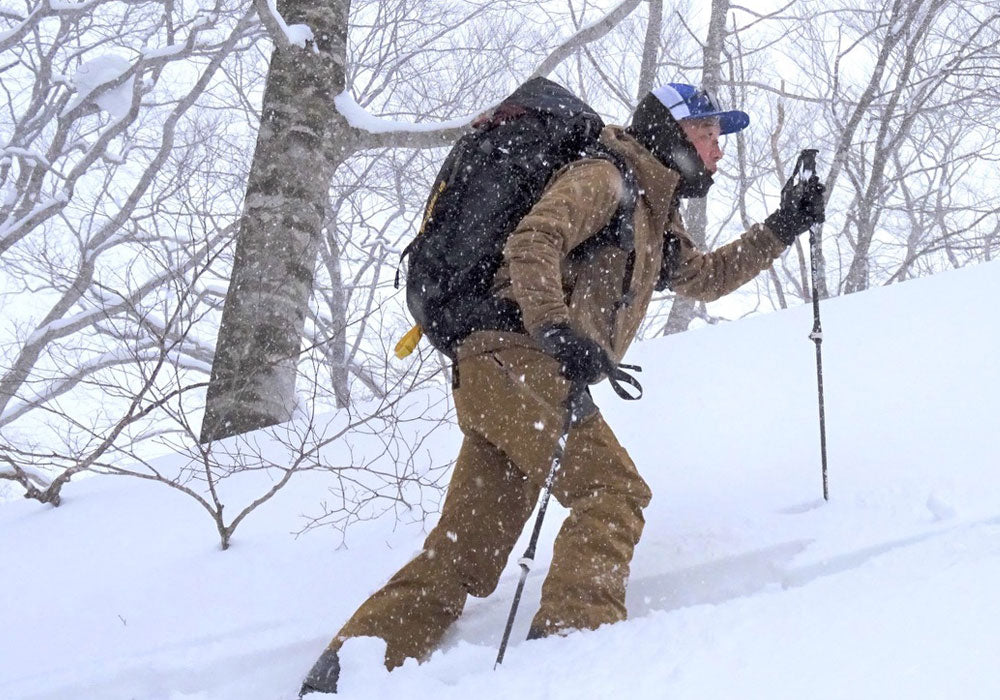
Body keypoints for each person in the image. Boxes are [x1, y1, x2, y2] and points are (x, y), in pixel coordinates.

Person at [300, 82, 825, 695]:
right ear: (673, 133)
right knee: (612, 492)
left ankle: (343, 672)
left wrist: (784, 224)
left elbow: (707, 279)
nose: (717, 150)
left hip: (499, 376)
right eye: (707, 134)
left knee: (466, 551)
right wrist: (554, 327)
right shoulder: (606, 178)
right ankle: (575, 662)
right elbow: (535, 240)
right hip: (518, 361)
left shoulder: (654, 217)